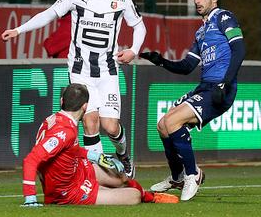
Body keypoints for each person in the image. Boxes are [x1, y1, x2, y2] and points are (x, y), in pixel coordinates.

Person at [2, 0, 146, 178]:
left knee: (110, 127)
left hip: (108, 72)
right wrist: (19, 30)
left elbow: (139, 26)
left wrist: (133, 50)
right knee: (90, 122)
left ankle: (124, 154)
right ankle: (94, 174)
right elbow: (49, 14)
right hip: (81, 71)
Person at [139, 0, 245, 201]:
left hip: (220, 87)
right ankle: (177, 177)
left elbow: (239, 50)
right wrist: (161, 61)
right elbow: (187, 66)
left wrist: (224, 82)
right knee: (162, 126)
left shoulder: (224, 17)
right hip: (204, 86)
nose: (197, 0)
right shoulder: (201, 31)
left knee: (172, 122)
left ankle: (192, 174)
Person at [21, 83, 178, 206]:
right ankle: (145, 196)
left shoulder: (56, 120)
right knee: (134, 196)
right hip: (67, 191)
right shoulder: (64, 131)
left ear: (62, 101)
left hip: (76, 172)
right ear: (85, 106)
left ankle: (146, 195)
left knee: (120, 178)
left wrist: (96, 156)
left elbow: (67, 149)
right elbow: (31, 160)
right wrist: (30, 197)